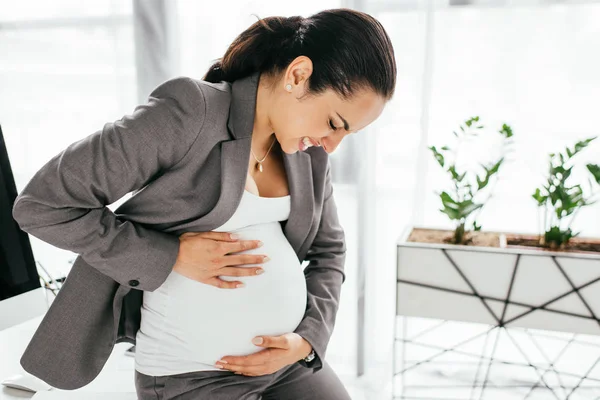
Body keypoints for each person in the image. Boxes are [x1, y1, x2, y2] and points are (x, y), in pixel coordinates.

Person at [12, 7, 396, 400]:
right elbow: (43, 204)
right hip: (192, 374)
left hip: (285, 368)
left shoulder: (307, 151)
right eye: (334, 123)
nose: (332, 145)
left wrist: (307, 340)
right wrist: (170, 255)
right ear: (298, 76)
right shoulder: (192, 112)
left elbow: (328, 251)